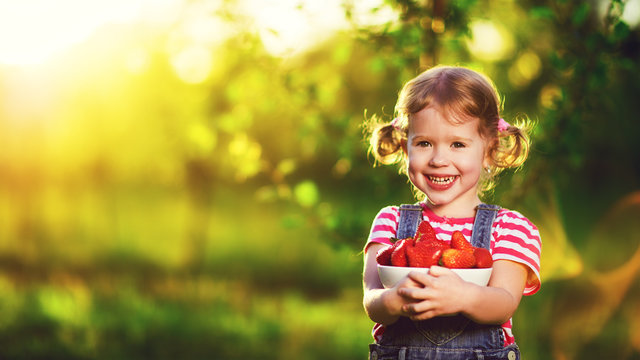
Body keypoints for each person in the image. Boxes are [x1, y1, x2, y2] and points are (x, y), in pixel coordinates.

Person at [362, 65, 541, 360]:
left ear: (489, 151)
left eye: (458, 144)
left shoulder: (510, 228)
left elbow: (504, 302)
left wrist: (463, 296)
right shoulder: (390, 221)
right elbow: (372, 298)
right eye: (424, 143)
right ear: (406, 148)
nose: (439, 159)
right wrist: (394, 299)